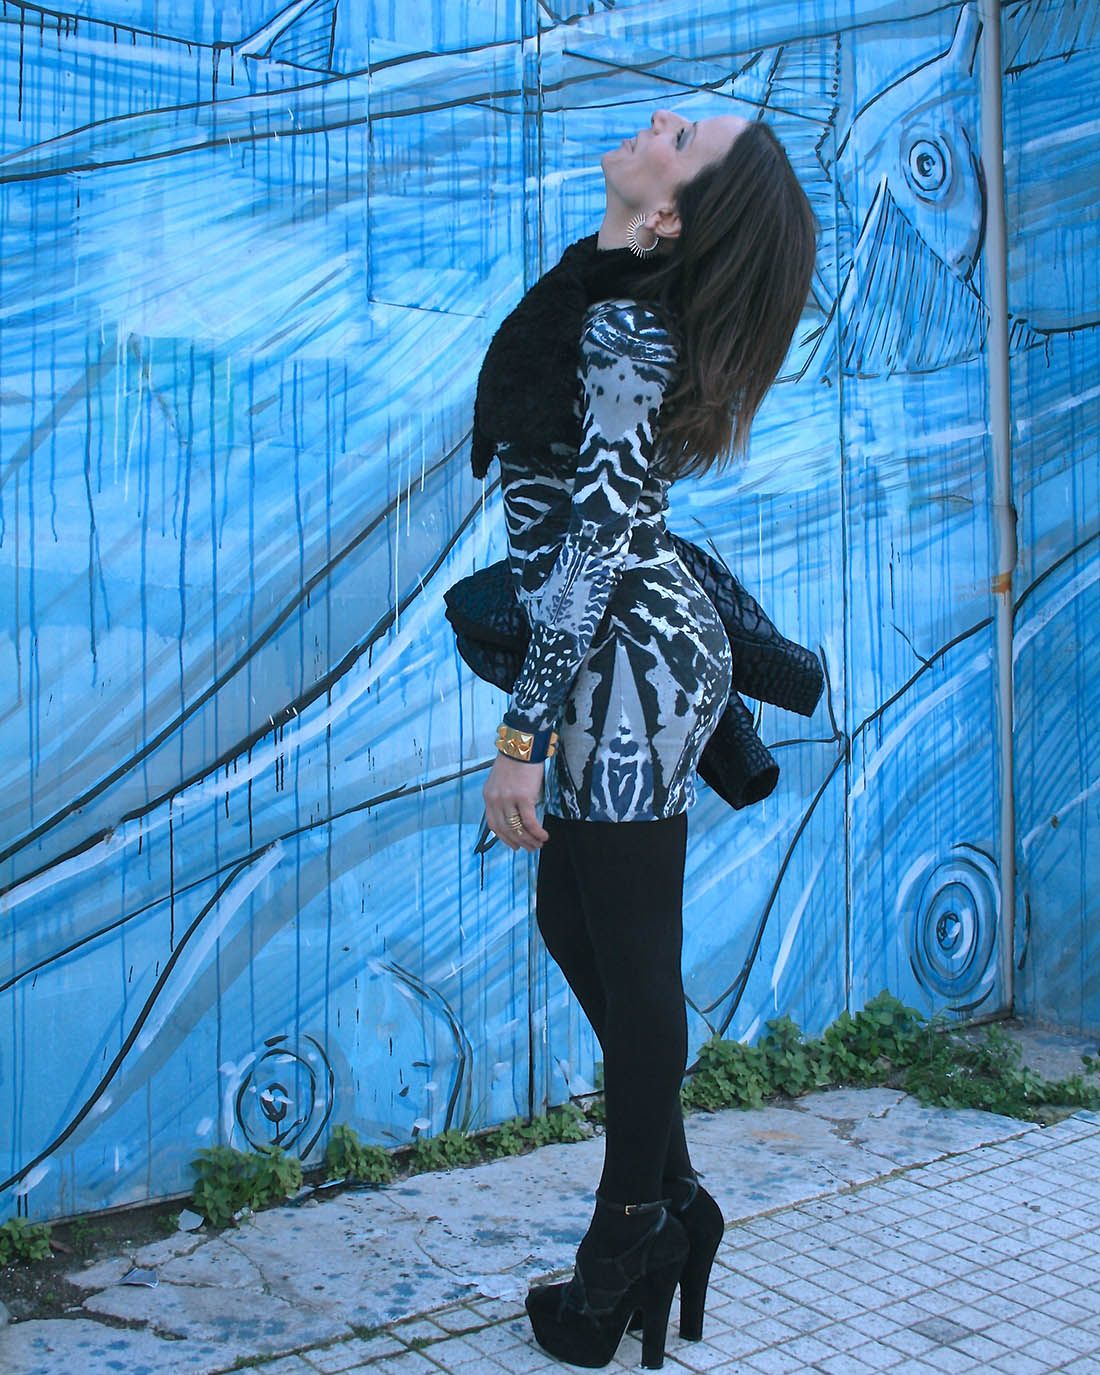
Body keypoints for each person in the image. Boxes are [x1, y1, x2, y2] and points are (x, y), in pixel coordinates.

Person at [472, 107, 817, 1370]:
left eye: (682, 134)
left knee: (628, 950)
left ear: (670, 214)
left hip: (627, 673)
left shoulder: (625, 332)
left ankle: (625, 1238)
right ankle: (671, 1203)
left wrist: (520, 732)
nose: (657, 119)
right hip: (619, 656)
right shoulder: (606, 298)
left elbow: (599, 543)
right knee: (580, 927)